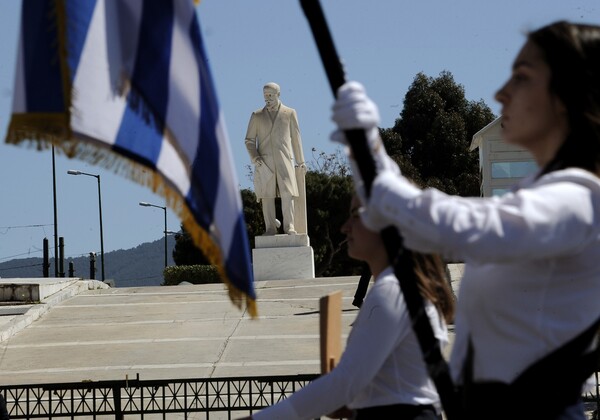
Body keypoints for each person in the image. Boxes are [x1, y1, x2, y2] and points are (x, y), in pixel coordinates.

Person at [331, 20, 600, 419]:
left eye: (522, 77)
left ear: (565, 95)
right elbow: (417, 224)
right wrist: (366, 153)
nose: (501, 93)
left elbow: (460, 227)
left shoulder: (579, 200)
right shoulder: (545, 196)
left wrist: (371, 154)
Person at [238, 194, 455, 419]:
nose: (345, 227)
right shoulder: (405, 288)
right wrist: (357, 402)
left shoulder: (393, 291)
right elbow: (395, 381)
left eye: (356, 215)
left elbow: (345, 382)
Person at [245, 82, 307, 235]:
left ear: (278, 94)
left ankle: (289, 226)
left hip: (285, 159)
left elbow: (296, 139)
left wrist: (301, 161)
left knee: (288, 193)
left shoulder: (290, 113)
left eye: (270, 95)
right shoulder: (257, 115)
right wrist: (255, 157)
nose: (267, 98)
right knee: (267, 195)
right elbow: (249, 140)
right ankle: (270, 228)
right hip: (264, 162)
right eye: (265, 95)